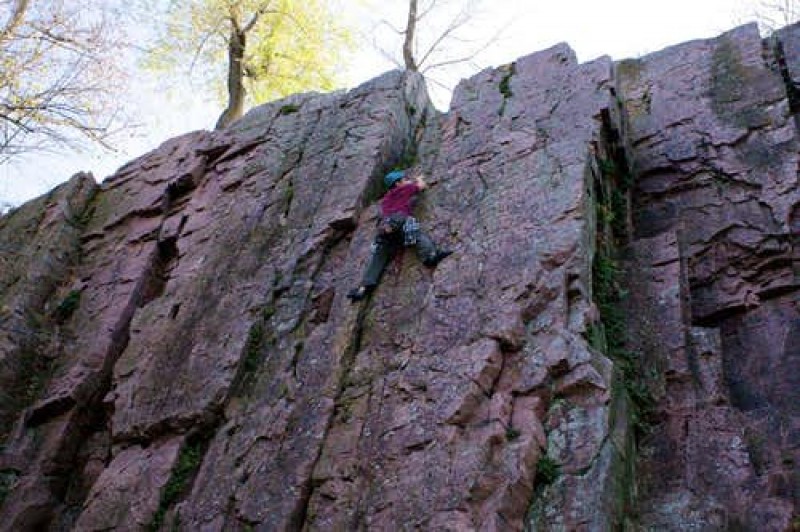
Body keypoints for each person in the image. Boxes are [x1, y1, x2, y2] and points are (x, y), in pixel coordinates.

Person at [347, 169, 452, 302]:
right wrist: (419, 179)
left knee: (379, 255)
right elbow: (421, 187)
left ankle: (363, 288)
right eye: (404, 179)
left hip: (384, 228)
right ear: (398, 183)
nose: (407, 180)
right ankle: (430, 256)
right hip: (398, 220)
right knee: (415, 232)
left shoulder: (386, 198)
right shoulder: (404, 189)